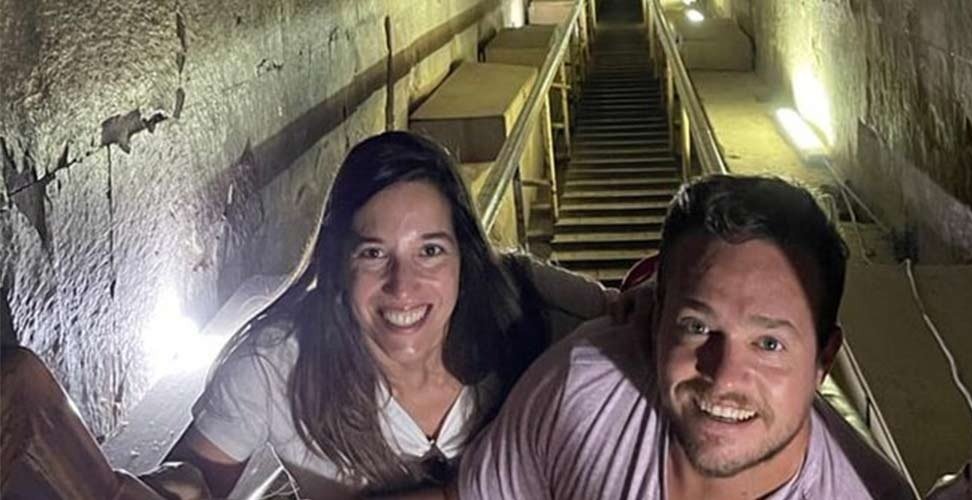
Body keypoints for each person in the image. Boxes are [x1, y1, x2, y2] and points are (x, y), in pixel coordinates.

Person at [162, 131, 612, 498]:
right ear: (338, 261)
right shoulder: (276, 364)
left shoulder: (524, 300)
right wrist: (173, 485)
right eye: (374, 253)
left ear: (464, 254)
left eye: (430, 251)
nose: (403, 287)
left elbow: (635, 313)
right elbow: (194, 477)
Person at [457, 175, 916, 499]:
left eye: (768, 344)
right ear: (656, 319)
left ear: (823, 361)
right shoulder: (585, 389)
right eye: (698, 327)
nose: (724, 377)